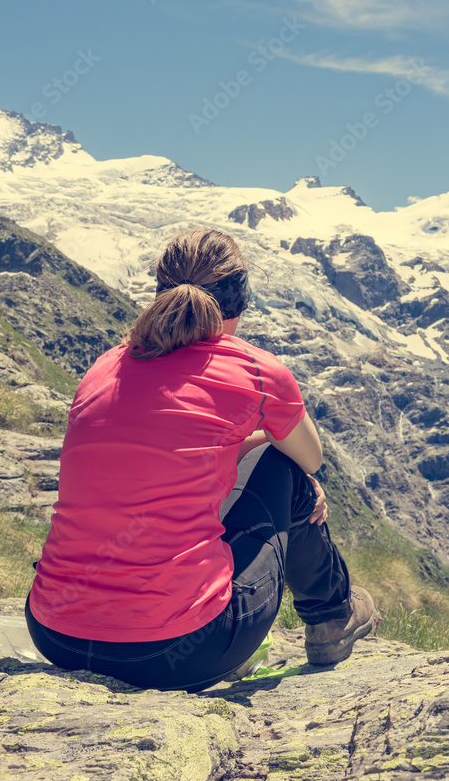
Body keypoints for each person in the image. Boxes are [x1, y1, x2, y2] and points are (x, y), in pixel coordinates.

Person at [25, 226, 375, 691]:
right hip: (179, 650)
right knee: (284, 467)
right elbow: (310, 458)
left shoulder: (106, 364)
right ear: (241, 298)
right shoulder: (254, 369)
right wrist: (256, 438)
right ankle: (333, 616)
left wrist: (230, 441)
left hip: (55, 635)